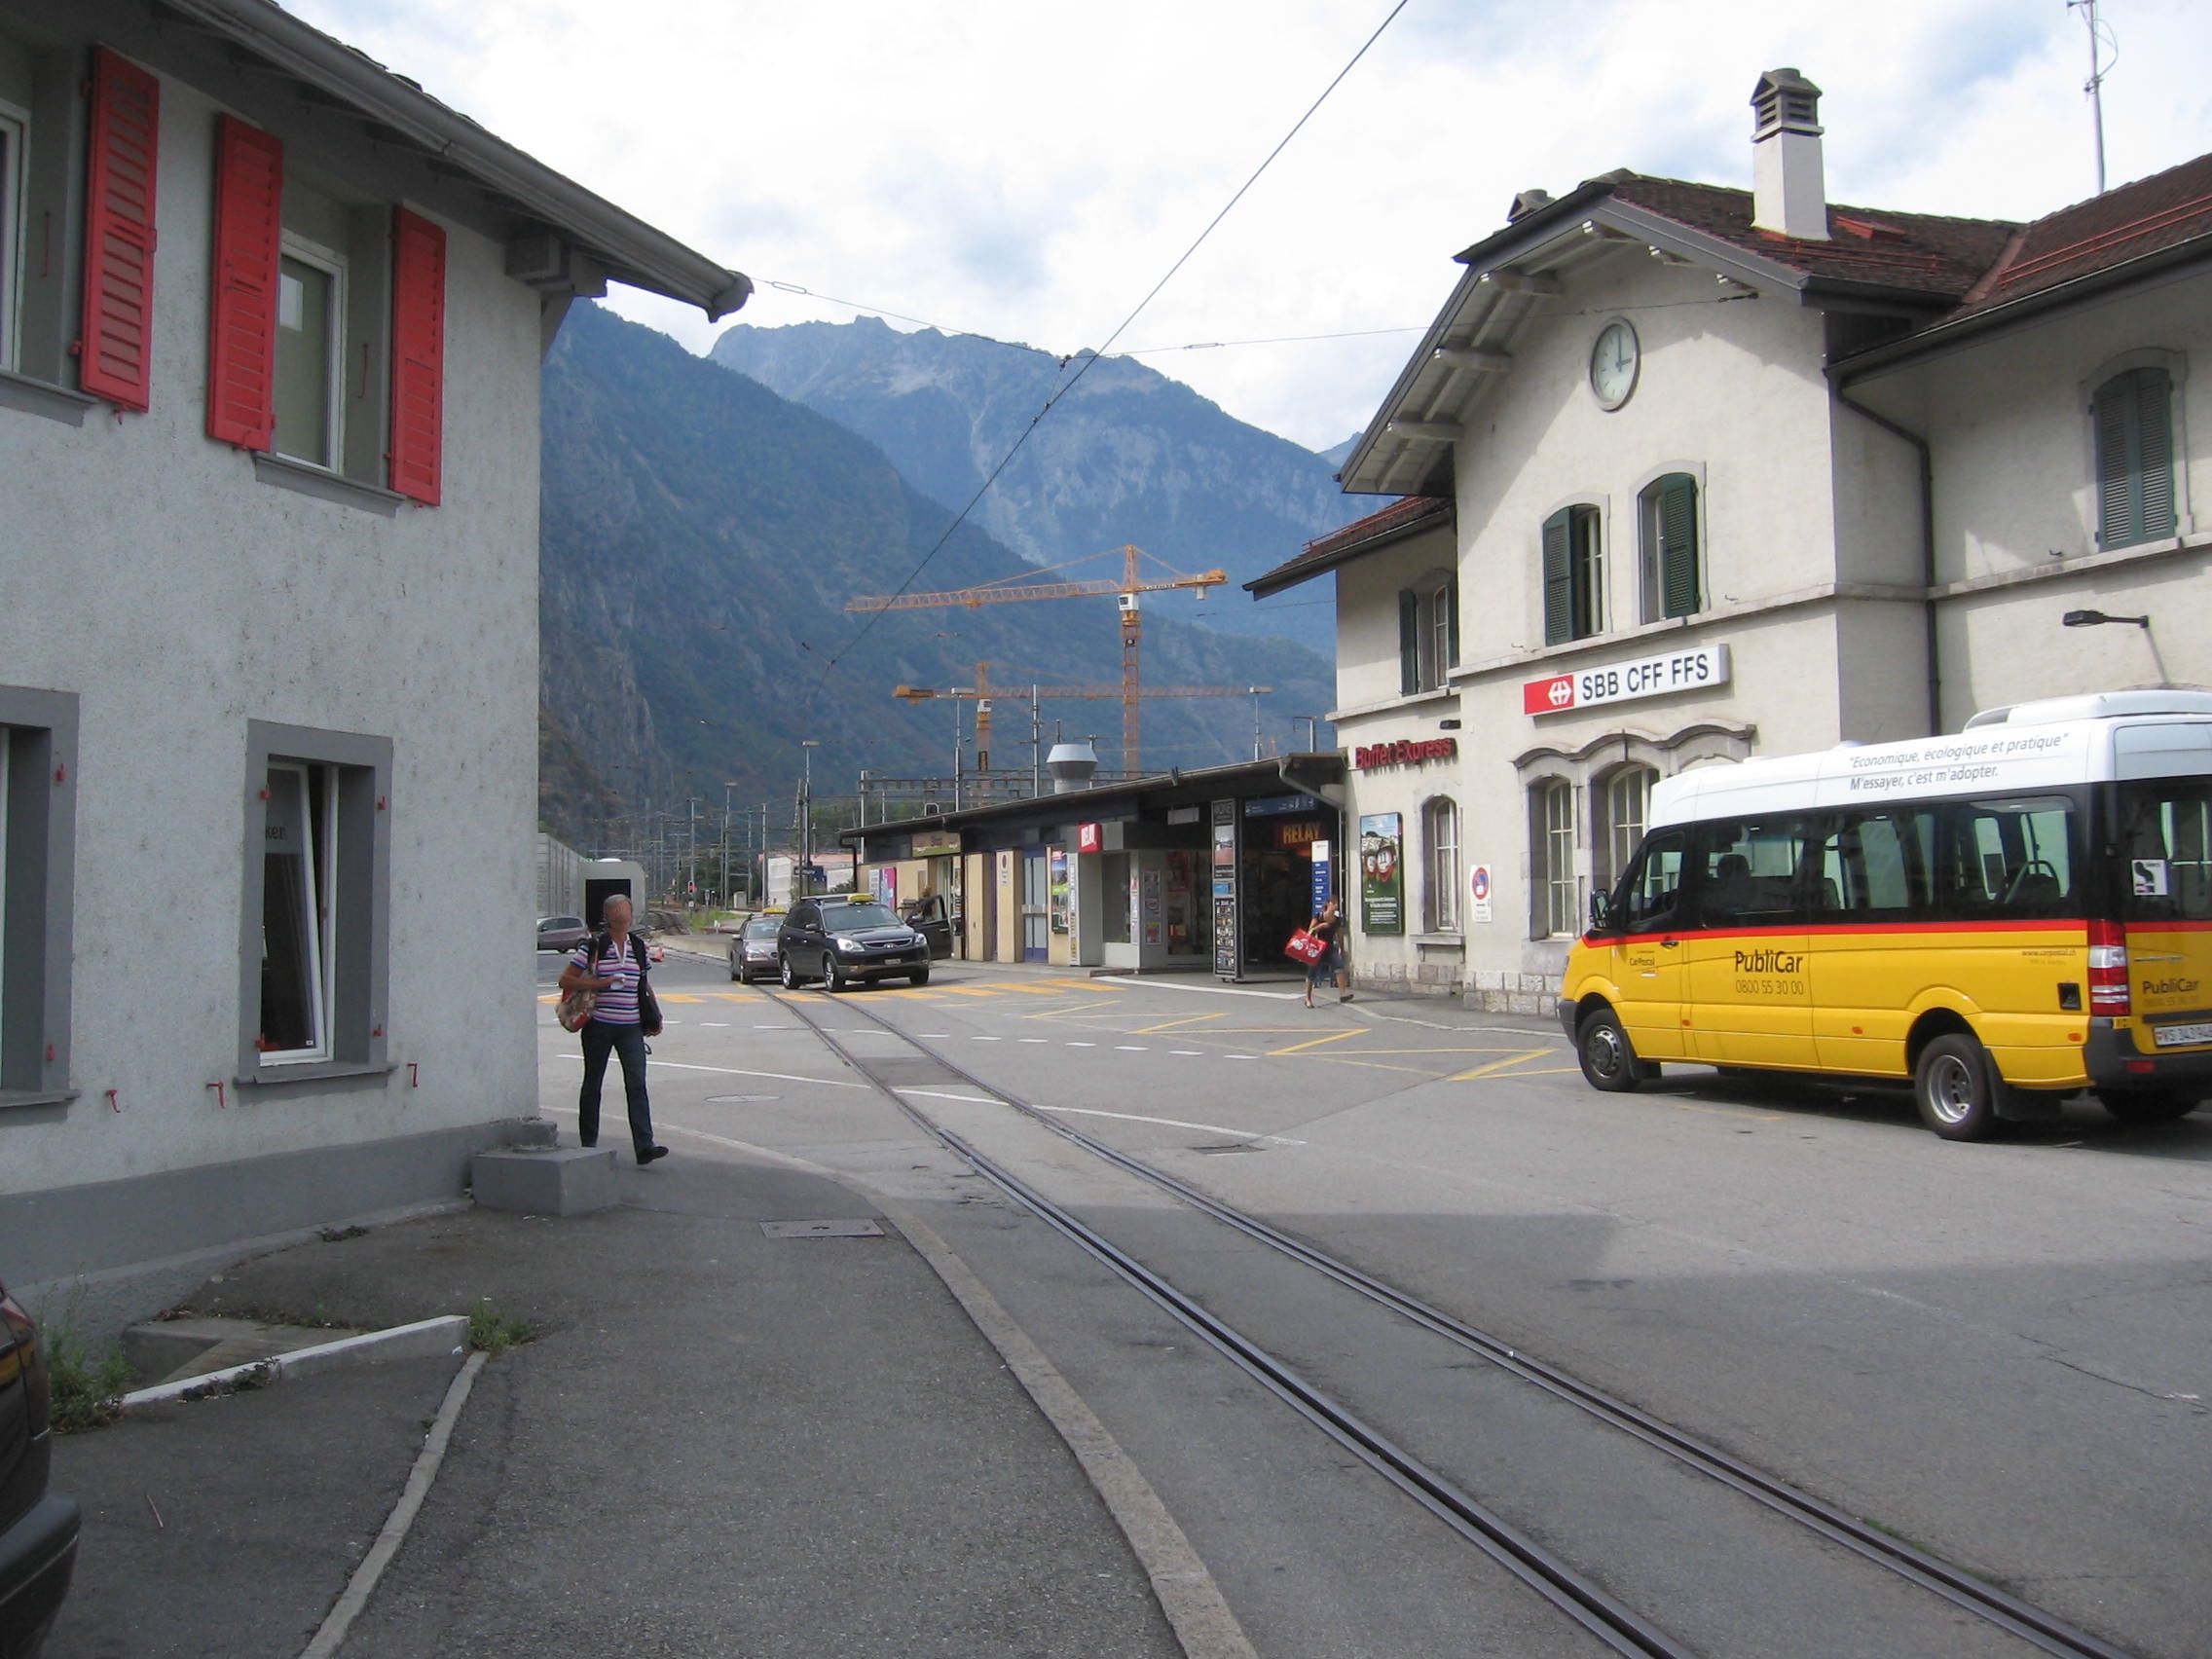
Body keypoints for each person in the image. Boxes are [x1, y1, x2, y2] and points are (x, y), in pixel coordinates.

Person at [559, 895, 669, 1165]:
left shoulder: (639, 947)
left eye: (627, 912)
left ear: (631, 915)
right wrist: (601, 983)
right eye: (618, 913)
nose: (623, 917)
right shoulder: (594, 946)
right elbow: (565, 979)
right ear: (608, 916)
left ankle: (644, 1145)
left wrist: (655, 1015)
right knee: (593, 1083)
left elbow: (644, 984)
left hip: (630, 1026)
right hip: (599, 1025)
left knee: (636, 1084)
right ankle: (588, 1143)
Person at [1304, 897, 1352, 1009]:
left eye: (1337, 904)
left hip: (1329, 948)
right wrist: (1319, 927)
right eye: (1334, 903)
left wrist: (1341, 948)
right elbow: (1309, 932)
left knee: (1339, 965)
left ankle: (1343, 993)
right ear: (1328, 904)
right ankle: (1308, 998)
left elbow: (1339, 935)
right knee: (1312, 973)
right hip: (1317, 948)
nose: (1336, 906)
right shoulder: (1319, 917)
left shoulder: (1336, 920)